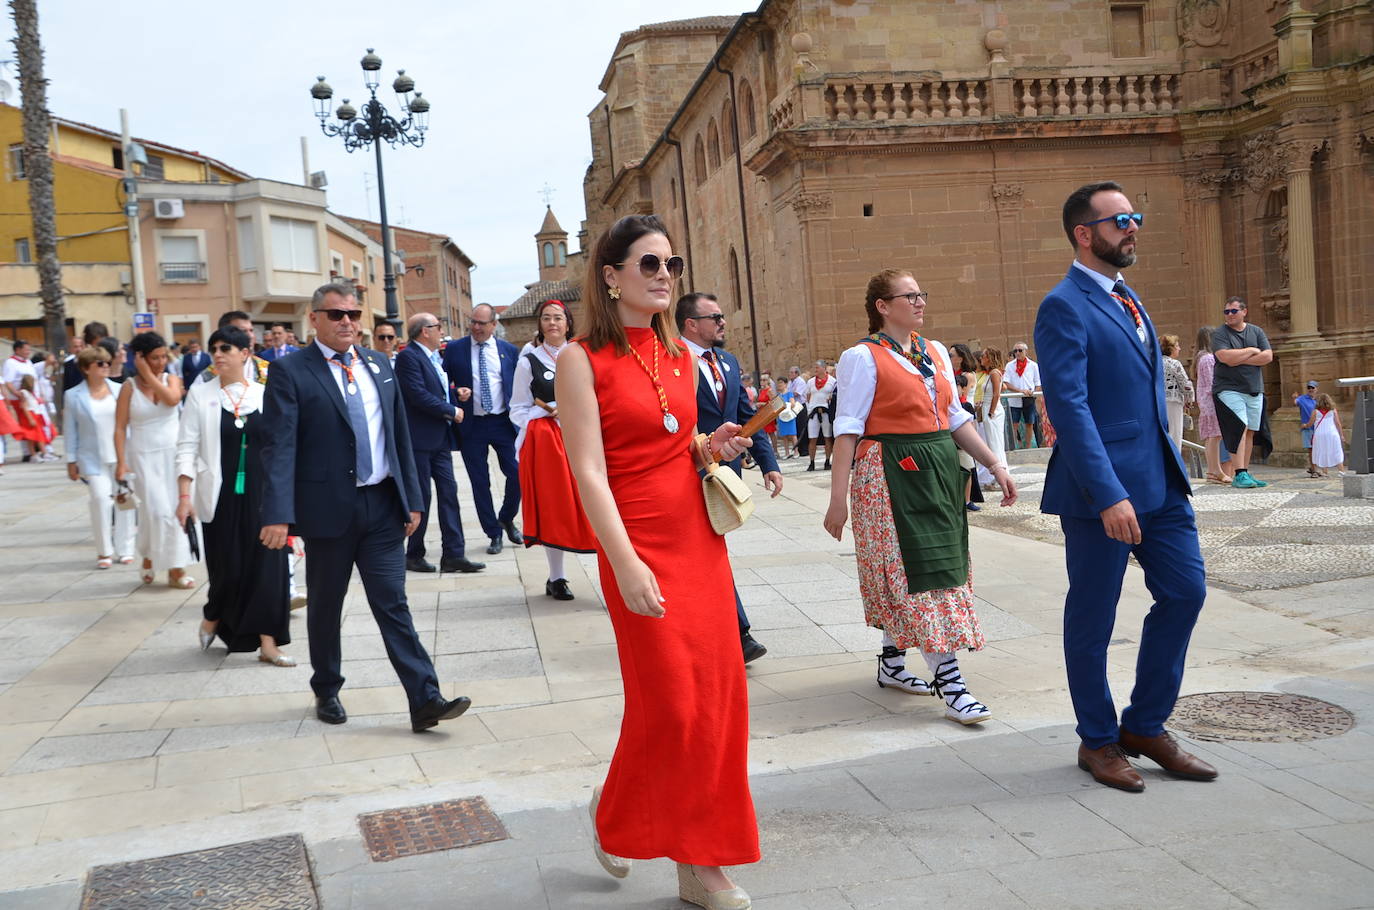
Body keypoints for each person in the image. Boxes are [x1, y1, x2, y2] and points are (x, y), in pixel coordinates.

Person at [558, 214, 759, 907]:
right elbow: (588, 472)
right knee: (672, 705)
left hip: (699, 544)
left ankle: (699, 864)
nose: (664, 276)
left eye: (670, 265)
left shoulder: (679, 355)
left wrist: (710, 446)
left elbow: (675, 442)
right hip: (636, 544)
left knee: (714, 703)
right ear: (610, 276)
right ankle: (618, 813)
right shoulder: (580, 359)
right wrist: (623, 563)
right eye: (648, 264)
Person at [1036, 181, 1214, 793]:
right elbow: (1072, 406)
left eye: (1135, 217)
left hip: (1160, 483)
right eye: (1119, 221)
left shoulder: (1128, 296)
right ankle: (1098, 740)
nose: (1132, 227)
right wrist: (1110, 493)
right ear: (1084, 234)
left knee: (1186, 593)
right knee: (1093, 617)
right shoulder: (1063, 304)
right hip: (1099, 494)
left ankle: (1144, 726)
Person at [259, 282, 471, 733]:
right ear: (314, 318)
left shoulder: (379, 364)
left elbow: (398, 438)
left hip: (382, 506)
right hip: (327, 510)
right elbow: (279, 446)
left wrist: (412, 500)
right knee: (326, 605)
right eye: (336, 315)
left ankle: (424, 699)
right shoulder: (292, 372)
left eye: (353, 314)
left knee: (393, 602)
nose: (347, 322)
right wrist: (277, 512)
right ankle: (327, 687)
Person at [824, 269, 1015, 725]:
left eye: (921, 294)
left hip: (937, 468)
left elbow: (954, 418)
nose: (920, 302)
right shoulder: (862, 357)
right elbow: (847, 429)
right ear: (882, 307)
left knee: (937, 567)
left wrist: (995, 465)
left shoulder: (933, 353)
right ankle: (950, 682)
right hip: (888, 471)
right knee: (919, 573)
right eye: (909, 296)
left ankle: (892, 664)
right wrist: (838, 499)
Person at [676, 291, 783, 665]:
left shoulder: (728, 361)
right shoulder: (673, 360)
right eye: (715, 317)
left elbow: (746, 413)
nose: (723, 322)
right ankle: (738, 633)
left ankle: (715, 629)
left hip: (726, 474)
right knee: (709, 552)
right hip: (688, 471)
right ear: (691, 324)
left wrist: (768, 462)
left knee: (709, 551)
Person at [176, 327, 293, 665]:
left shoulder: (264, 393)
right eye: (214, 348)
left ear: (246, 353)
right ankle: (214, 613)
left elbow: (280, 446)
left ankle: (269, 643)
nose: (219, 353)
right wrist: (185, 496)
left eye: (226, 347)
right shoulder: (201, 395)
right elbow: (186, 447)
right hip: (220, 495)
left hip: (263, 496)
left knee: (268, 566)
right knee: (228, 567)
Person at [510, 300, 596, 599]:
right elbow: (517, 408)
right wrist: (546, 413)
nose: (552, 323)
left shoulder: (584, 355)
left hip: (585, 436)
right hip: (549, 443)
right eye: (546, 318)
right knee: (555, 506)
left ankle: (611, 569)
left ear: (568, 323)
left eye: (558, 318)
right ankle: (556, 577)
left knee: (595, 500)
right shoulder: (528, 361)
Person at [394, 312, 484, 574]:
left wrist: (456, 395)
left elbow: (433, 389)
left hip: (439, 439)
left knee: (449, 494)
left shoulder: (433, 356)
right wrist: (450, 410)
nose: (441, 331)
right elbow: (417, 395)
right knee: (421, 497)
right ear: (425, 331)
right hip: (420, 439)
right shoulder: (408, 357)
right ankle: (414, 553)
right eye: (437, 327)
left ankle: (454, 554)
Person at [114, 331, 194, 589]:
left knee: (174, 512)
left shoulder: (172, 379)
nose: (160, 362)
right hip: (143, 456)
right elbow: (119, 427)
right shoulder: (128, 387)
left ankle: (175, 568)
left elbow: (172, 400)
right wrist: (121, 462)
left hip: (173, 453)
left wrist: (148, 375)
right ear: (141, 358)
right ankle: (149, 556)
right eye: (154, 358)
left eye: (162, 357)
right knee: (155, 513)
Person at [442, 303, 523, 555]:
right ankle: (494, 533)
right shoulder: (455, 349)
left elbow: (520, 386)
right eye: (473, 322)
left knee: (518, 474)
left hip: (503, 423)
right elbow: (441, 383)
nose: (476, 327)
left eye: (481, 323)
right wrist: (456, 394)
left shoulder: (509, 351)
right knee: (480, 482)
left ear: (493, 325)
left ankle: (507, 517)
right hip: (472, 425)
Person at [63, 346, 135, 569]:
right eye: (100, 364)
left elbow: (129, 424)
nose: (106, 366)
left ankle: (125, 548)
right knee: (101, 500)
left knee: (125, 503)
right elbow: (70, 429)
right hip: (92, 458)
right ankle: (104, 551)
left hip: (121, 455)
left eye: (106, 362)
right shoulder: (73, 395)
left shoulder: (120, 389)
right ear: (86, 368)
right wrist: (71, 460)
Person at [1211, 297, 1272, 489]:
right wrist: (1252, 351)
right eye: (1226, 311)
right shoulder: (1220, 333)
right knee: (1240, 427)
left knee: (1251, 431)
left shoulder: (1256, 331)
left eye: (1233, 311)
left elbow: (1268, 356)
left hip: (1254, 388)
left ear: (1244, 311)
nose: (1229, 315)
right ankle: (1239, 472)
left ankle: (1244, 472)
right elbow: (1225, 357)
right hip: (1229, 388)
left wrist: (1239, 357)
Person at [1193, 325, 1232, 484]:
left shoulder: (1201, 358)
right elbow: (1212, 382)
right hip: (1212, 402)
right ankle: (1215, 470)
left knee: (1212, 437)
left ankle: (1212, 471)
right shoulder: (1208, 358)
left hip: (1206, 402)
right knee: (1215, 436)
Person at [198, 312, 269, 385]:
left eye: (251, 330)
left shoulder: (268, 370)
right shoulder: (206, 378)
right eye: (242, 331)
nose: (250, 336)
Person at [974, 347, 1006, 488]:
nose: (981, 359)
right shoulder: (990, 374)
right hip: (987, 407)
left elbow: (996, 394)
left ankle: (1001, 475)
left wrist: (991, 411)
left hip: (992, 411)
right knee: (992, 443)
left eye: (983, 356)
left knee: (995, 443)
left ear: (989, 358)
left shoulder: (994, 373)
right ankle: (995, 476)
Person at [1002, 342, 1043, 449]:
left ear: (1026, 351)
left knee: (1029, 423)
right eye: (1015, 351)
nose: (1018, 353)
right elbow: (1006, 383)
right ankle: (1014, 447)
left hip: (1029, 398)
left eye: (1020, 350)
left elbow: (1038, 383)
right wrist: (1020, 390)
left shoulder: (1033, 365)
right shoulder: (1009, 366)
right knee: (1014, 424)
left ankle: (1028, 448)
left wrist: (1032, 393)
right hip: (1014, 399)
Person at [3, 340, 38, 462]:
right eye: (26, 349)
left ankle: (37, 449)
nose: (28, 352)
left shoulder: (28, 362)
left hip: (32, 398)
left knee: (37, 424)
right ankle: (27, 452)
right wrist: (18, 394)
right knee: (26, 426)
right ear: (17, 350)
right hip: (20, 399)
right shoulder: (11, 363)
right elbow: (8, 381)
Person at [1159, 334, 1194, 451]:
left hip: (1158, 402)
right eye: (1177, 346)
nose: (1179, 348)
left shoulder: (1155, 363)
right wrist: (1189, 400)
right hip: (1173, 402)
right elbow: (1186, 385)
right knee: (1175, 435)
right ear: (1171, 348)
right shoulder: (1175, 363)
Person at [12, 374, 57, 459]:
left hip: (36, 414)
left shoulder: (30, 393)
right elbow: (24, 406)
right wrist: (30, 418)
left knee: (39, 435)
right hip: (30, 415)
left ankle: (44, 452)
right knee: (31, 436)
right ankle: (34, 454)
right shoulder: (23, 393)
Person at [804, 359, 836, 470]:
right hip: (814, 412)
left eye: (817, 367)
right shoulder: (811, 382)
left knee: (827, 437)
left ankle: (827, 461)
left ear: (823, 368)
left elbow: (834, 396)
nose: (815, 370)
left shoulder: (832, 381)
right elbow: (808, 396)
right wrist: (810, 409)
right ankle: (811, 462)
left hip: (826, 412)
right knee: (812, 437)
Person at [1311, 393, 1347, 476]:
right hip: (1332, 433)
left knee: (1322, 450)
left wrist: (1305, 425)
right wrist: (1341, 435)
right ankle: (1341, 471)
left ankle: (1325, 472)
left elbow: (1311, 423)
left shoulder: (1315, 412)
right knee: (1336, 450)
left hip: (1319, 434)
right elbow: (1338, 423)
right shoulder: (1333, 410)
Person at [1295, 380, 1320, 478]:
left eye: (1312, 388)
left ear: (1316, 389)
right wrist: (1295, 398)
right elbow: (1296, 402)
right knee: (1311, 449)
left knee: (1318, 449)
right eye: (1309, 388)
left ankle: (1315, 468)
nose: (1310, 389)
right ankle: (1314, 470)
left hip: (1318, 428)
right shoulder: (1302, 398)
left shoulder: (1319, 400)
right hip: (1308, 428)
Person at [773, 378, 798, 458]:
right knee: (784, 436)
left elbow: (793, 403)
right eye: (778, 383)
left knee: (793, 435)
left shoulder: (789, 393)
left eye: (781, 382)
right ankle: (787, 452)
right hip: (782, 416)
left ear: (786, 384)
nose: (780, 384)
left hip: (789, 416)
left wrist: (787, 405)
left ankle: (796, 451)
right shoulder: (779, 395)